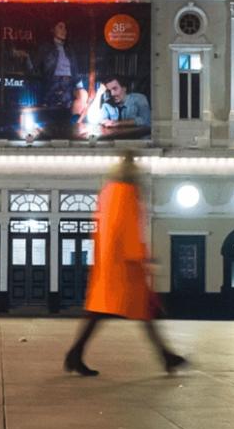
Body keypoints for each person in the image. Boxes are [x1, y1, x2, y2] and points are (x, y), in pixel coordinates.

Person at [64, 152, 187, 376]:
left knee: (104, 313)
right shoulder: (127, 193)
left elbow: (104, 229)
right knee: (139, 313)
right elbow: (128, 228)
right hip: (125, 269)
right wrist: (142, 257)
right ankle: (166, 356)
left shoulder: (108, 192)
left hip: (111, 264)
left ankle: (76, 353)